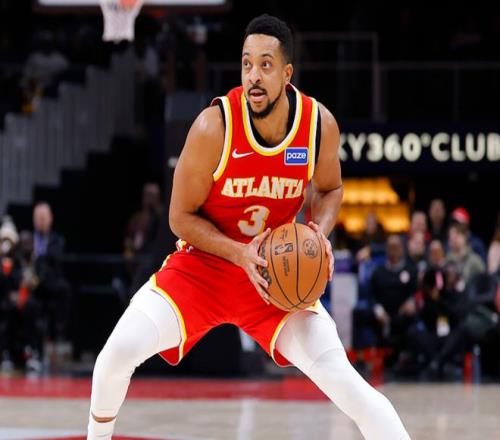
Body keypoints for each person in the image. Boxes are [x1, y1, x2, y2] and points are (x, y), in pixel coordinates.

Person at [88, 15, 410, 440]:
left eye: (265, 65)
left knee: (349, 385)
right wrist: (238, 253)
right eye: (246, 64)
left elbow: (330, 189)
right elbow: (178, 217)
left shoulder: (317, 126)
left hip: (276, 275)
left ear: (287, 73)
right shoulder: (213, 127)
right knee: (114, 356)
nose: (253, 76)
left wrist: (318, 231)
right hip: (203, 268)